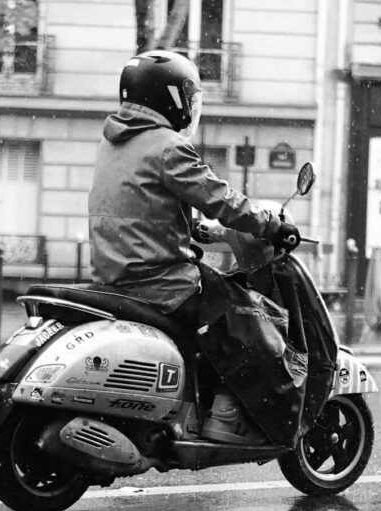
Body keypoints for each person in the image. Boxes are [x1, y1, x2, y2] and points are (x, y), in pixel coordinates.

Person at [88, 50, 300, 444]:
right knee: (245, 314)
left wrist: (196, 230)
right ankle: (225, 417)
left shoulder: (115, 143)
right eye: (188, 94)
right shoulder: (167, 146)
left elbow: (142, 207)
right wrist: (270, 225)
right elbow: (221, 199)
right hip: (161, 280)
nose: (190, 104)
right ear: (171, 98)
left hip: (115, 277)